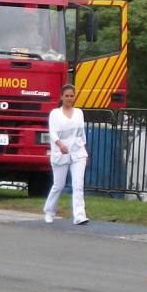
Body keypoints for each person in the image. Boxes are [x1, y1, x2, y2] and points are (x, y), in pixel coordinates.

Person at [43, 84, 88, 225]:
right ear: (62, 97)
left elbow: (81, 134)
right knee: (58, 185)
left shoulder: (79, 113)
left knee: (78, 184)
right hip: (61, 152)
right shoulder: (55, 114)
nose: (69, 98)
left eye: (71, 96)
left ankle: (79, 216)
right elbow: (52, 133)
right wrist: (60, 145)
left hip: (77, 152)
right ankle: (49, 211)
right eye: (67, 96)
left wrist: (84, 151)